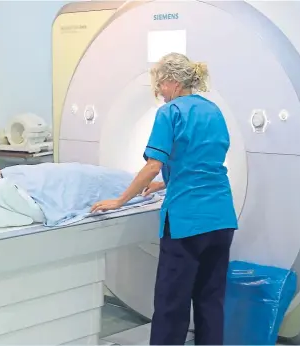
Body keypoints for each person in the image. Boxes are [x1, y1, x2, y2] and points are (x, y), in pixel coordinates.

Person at [91, 52, 238, 345]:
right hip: (221, 218)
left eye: (159, 86)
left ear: (172, 82)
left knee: (173, 304)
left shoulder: (170, 113)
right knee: (211, 301)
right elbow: (202, 162)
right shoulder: (214, 110)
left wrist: (120, 200)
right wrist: (165, 183)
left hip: (186, 222)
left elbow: (152, 164)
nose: (159, 93)